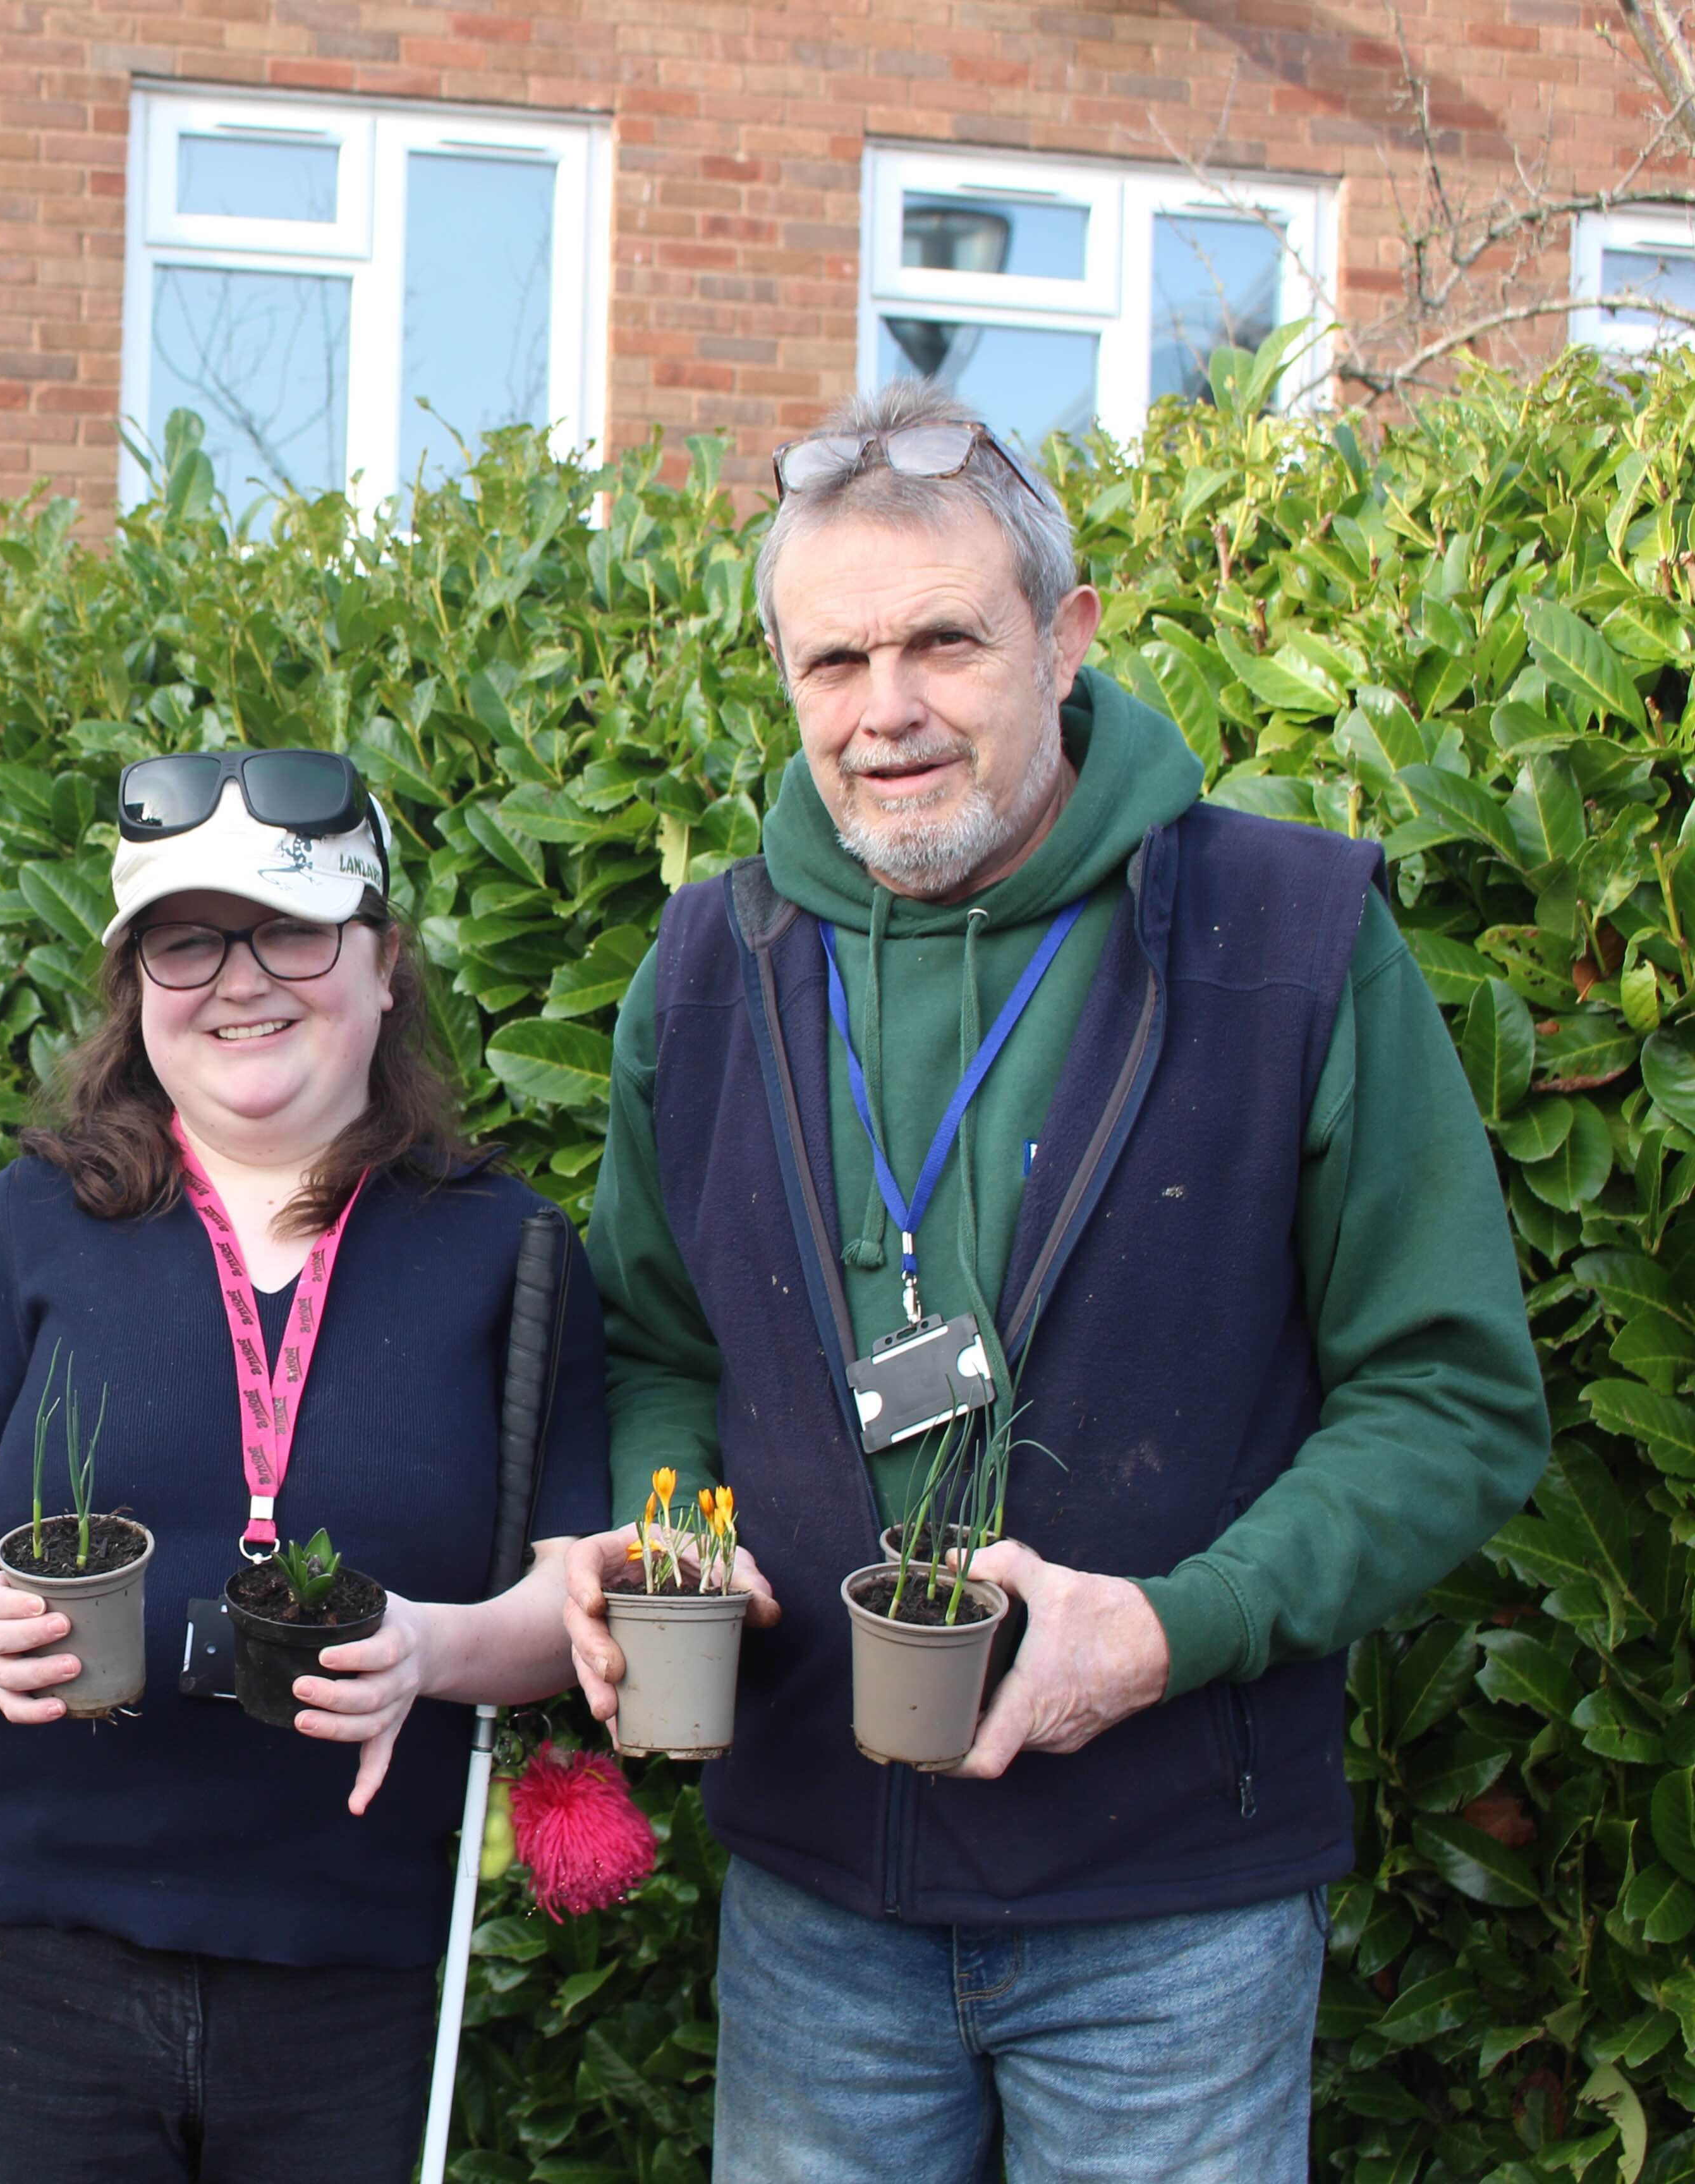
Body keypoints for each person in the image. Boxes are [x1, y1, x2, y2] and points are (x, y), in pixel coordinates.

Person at [570, 381, 1552, 2180]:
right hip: (815, 1906)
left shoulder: (1292, 938)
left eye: (946, 640)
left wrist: (1183, 1627)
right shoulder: (704, 970)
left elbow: (1453, 1400)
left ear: (1069, 632)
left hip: (1173, 1910)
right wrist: (665, 1537)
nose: (887, 713)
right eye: (833, 662)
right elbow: (654, 1344)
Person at [0, 751, 629, 2184]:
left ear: (386, 960)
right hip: (53, 1945)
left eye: (294, 931)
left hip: (355, 1956)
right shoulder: (26, 1226)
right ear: (133, 979)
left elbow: (564, 1600)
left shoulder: (508, 1249)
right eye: (187, 940)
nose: (240, 981)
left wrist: (433, 1651)